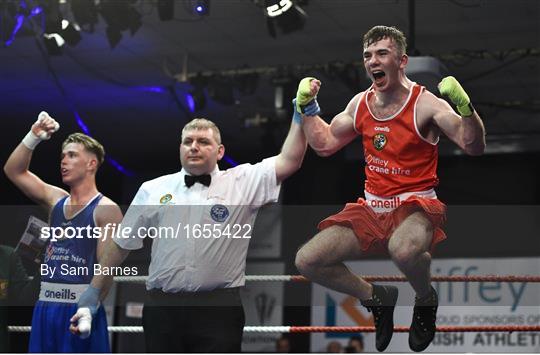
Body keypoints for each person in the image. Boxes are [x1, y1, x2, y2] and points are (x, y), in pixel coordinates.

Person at [294, 25, 486, 352]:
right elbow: (324, 144)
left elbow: (472, 146)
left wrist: (467, 110)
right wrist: (308, 108)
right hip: (372, 208)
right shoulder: (361, 103)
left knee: (404, 249)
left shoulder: (426, 104)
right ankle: (377, 298)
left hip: (416, 207)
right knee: (307, 261)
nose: (373, 61)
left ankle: (425, 300)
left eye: (382, 53)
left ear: (402, 61)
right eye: (368, 55)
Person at [84, 114, 308, 352]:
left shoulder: (241, 182)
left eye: (203, 141)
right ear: (180, 148)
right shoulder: (152, 189)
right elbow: (121, 244)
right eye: (188, 141)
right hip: (162, 307)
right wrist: (93, 290)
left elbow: (290, 160)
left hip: (218, 308)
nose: (194, 147)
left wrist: (300, 118)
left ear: (219, 151)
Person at [3, 112, 123, 352]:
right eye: (62, 156)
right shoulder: (56, 199)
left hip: (78, 308)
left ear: (91, 163)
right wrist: (33, 137)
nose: (63, 161)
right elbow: (14, 171)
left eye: (72, 155)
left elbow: (106, 269)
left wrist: (89, 308)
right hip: (45, 305)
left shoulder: (105, 210)